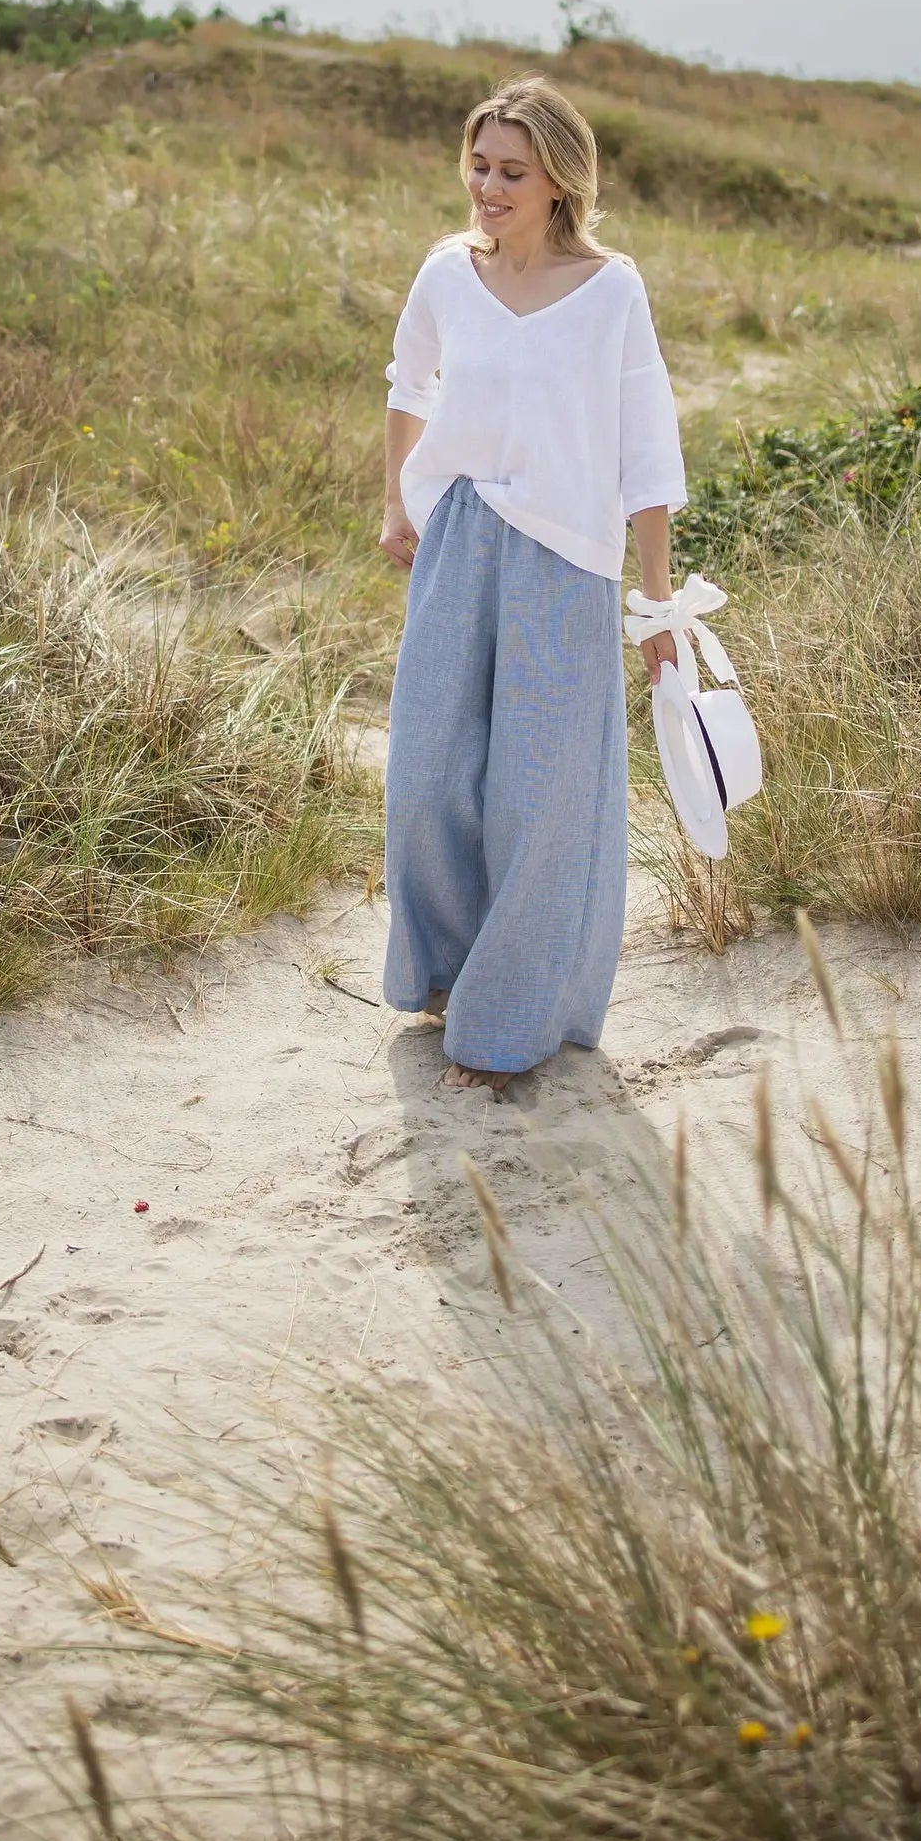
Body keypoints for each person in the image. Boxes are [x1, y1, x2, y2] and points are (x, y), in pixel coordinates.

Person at [378, 75, 684, 1093]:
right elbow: (406, 385)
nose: (487, 186)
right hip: (458, 534)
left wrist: (653, 605)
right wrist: (395, 506)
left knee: (537, 796)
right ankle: (441, 974)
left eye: (511, 170)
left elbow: (646, 453)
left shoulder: (610, 291)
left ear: (558, 180)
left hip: (566, 554)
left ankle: (506, 1024)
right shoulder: (444, 273)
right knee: (425, 775)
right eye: (477, 164)